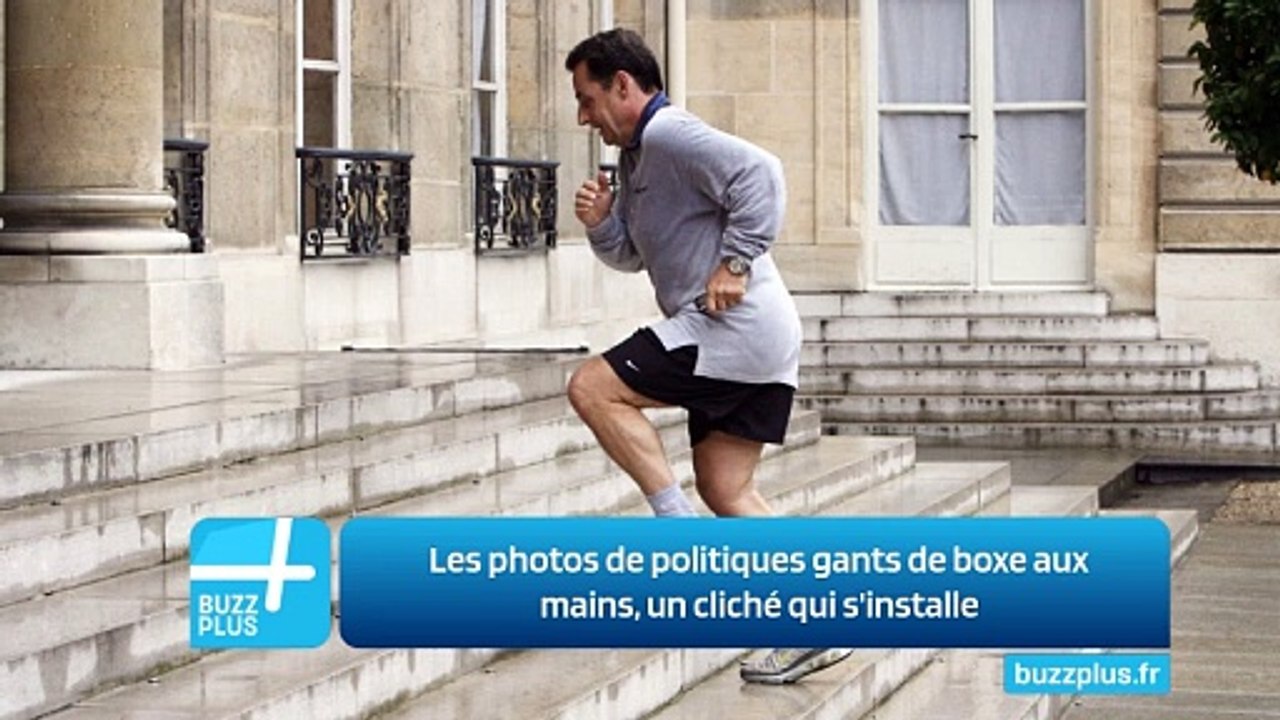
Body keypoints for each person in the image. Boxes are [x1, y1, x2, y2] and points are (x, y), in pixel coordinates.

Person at [563, 28, 851, 685]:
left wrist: (735, 261)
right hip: (757, 338)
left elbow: (763, 173)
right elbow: (634, 256)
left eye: (587, 99)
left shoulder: (669, 135)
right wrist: (603, 222)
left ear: (624, 87)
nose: (583, 116)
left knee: (592, 387)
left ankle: (677, 538)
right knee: (729, 490)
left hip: (734, 326)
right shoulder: (637, 159)